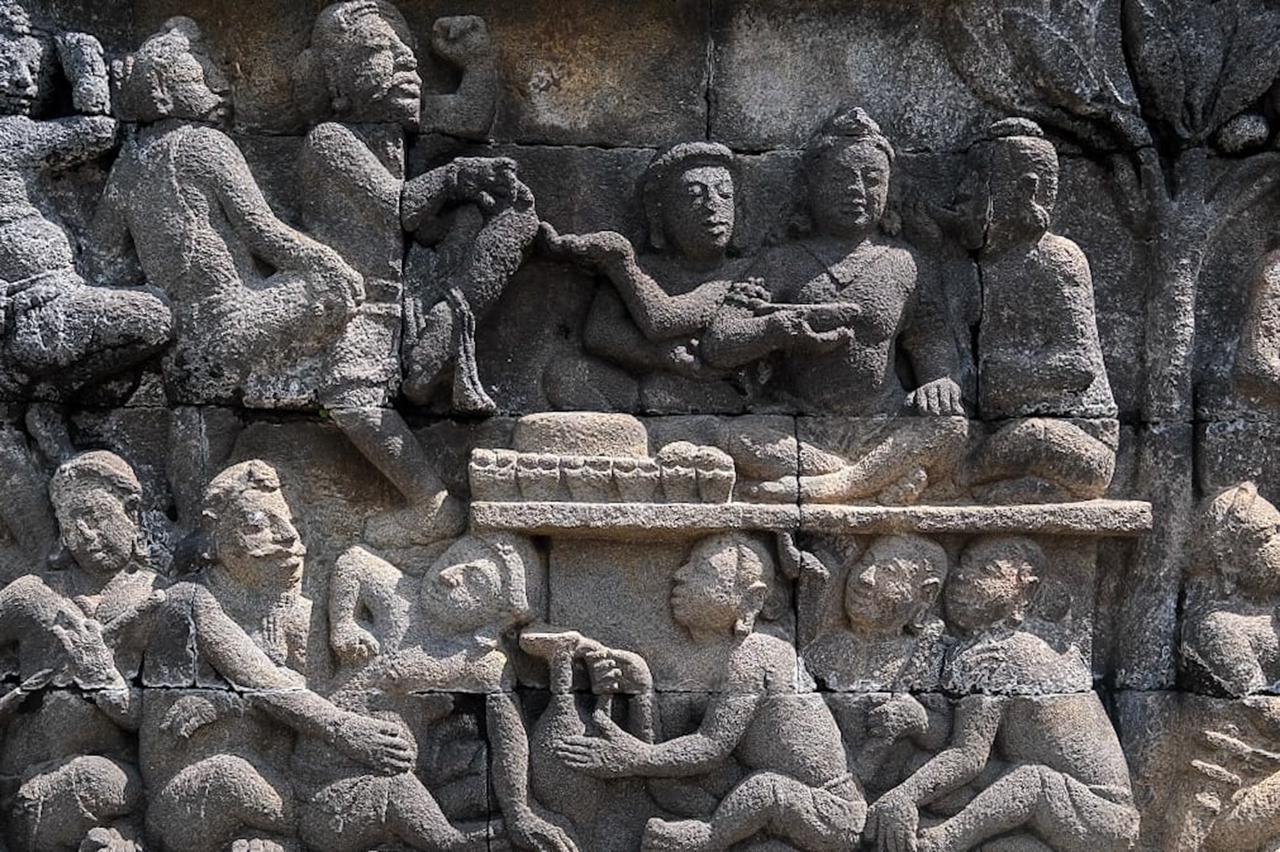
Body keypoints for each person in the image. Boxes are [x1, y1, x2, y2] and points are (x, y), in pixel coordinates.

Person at [138, 460, 417, 852]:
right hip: (191, 800)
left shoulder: (303, 614)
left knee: (390, 747)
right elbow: (260, 680)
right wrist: (344, 729)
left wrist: (228, 705)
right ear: (214, 542)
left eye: (292, 522)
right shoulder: (191, 600)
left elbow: (317, 699)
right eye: (257, 525)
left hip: (284, 784)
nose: (288, 537)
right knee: (232, 778)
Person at [554, 533, 866, 851]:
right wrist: (641, 685)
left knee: (765, 789)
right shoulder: (696, 668)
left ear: (751, 600)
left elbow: (709, 747)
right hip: (756, 787)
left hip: (832, 812)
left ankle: (707, 837)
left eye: (703, 570)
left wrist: (635, 758)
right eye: (686, 564)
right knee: (708, 781)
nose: (679, 574)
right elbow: (667, 777)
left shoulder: (756, 653)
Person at [302, 534, 577, 851]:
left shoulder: (477, 661)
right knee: (396, 786)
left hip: (382, 776)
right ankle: (452, 843)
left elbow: (508, 736)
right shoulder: (400, 597)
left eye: (474, 582)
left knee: (467, 780)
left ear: (496, 620)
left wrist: (519, 811)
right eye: (455, 556)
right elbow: (354, 561)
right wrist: (343, 623)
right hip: (323, 772)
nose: (448, 574)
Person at [866, 536, 1138, 852]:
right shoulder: (972, 649)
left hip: (1103, 817)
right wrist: (917, 720)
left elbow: (968, 756)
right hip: (1033, 790)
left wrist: (904, 796)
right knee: (923, 769)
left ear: (1026, 592)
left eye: (988, 571)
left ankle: (945, 840)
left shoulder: (1004, 653)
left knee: (1032, 783)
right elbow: (960, 739)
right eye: (964, 564)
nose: (963, 576)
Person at [936, 118, 1118, 501]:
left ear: (1026, 190)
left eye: (978, 181)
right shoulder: (975, 266)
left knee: (1035, 436)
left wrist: (995, 378)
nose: (962, 192)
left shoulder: (1057, 259)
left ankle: (955, 482)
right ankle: (999, 485)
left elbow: (1077, 367)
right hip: (992, 433)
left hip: (1078, 441)